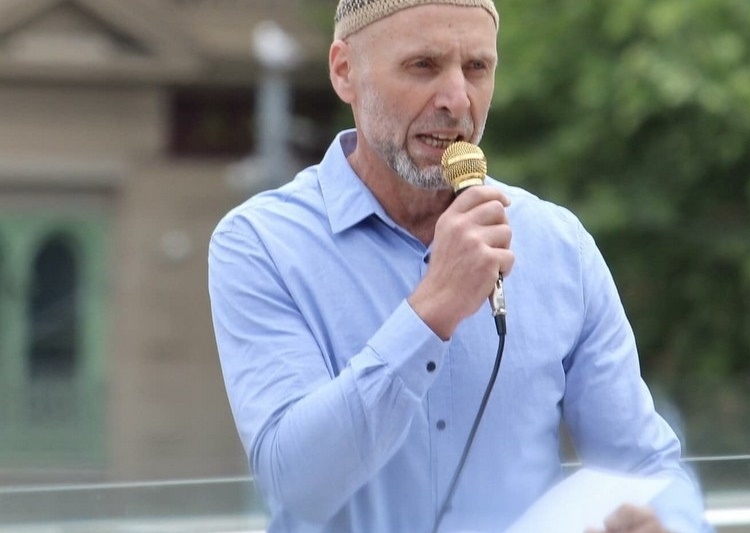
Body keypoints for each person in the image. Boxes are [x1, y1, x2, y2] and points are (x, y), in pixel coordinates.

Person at [208, 1, 712, 532]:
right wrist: (431, 310)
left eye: (477, 68)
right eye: (423, 65)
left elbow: (647, 466)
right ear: (344, 71)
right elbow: (297, 483)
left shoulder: (558, 244)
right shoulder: (260, 243)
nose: (456, 99)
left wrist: (664, 524)